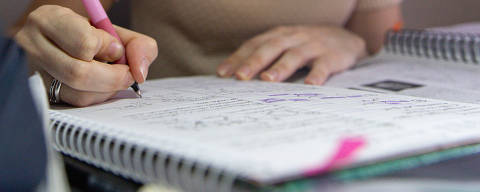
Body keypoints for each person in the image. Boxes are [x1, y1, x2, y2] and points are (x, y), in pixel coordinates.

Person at [12, 0, 403, 107]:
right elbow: (33, 41)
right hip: (165, 152)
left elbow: (390, 48)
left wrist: (349, 42)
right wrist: (44, 66)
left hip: (336, 146)